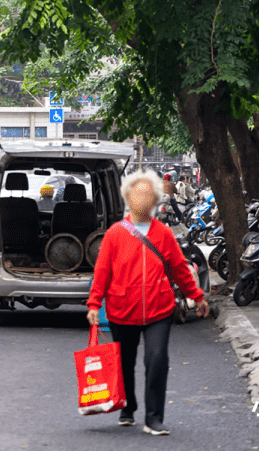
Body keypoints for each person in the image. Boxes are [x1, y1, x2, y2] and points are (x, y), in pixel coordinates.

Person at [86, 169, 208, 436]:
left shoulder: (163, 233)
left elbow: (179, 268)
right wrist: (94, 304)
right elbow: (103, 272)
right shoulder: (115, 234)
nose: (142, 200)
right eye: (137, 194)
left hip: (159, 309)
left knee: (157, 359)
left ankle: (154, 418)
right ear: (128, 198)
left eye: (148, 195)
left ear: (155, 200)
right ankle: (128, 407)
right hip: (121, 309)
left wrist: (196, 297)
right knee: (124, 362)